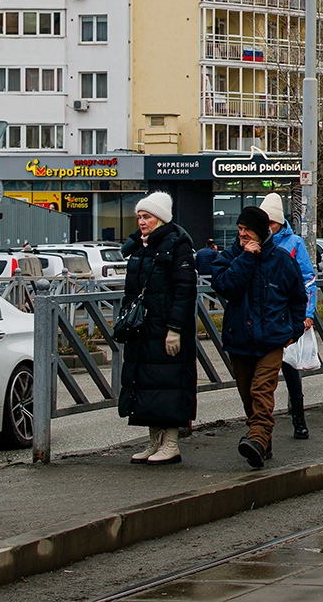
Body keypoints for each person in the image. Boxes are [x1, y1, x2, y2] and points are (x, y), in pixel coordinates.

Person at [211, 207, 306, 468]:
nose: (242, 234)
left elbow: (298, 298)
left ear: (262, 231)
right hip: (239, 339)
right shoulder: (232, 256)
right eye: (240, 229)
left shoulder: (282, 260)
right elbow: (225, 286)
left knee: (262, 390)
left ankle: (256, 438)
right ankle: (262, 439)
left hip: (271, 339)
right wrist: (247, 258)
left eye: (248, 230)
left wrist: (295, 329)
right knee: (247, 396)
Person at [117, 191, 197, 465]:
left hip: (165, 328)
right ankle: (154, 441)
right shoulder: (141, 246)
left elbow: (185, 290)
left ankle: (171, 443)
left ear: (161, 219)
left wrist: (174, 328)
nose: (141, 221)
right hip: (143, 328)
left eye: (147, 216)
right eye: (139, 216)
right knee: (147, 384)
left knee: (169, 383)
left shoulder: (178, 245)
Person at [259, 193, 315, 440]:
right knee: (261, 374)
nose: (268, 228)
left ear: (280, 222)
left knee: (290, 369)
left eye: (272, 223)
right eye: (265, 223)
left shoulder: (294, 243)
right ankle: (261, 424)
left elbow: (308, 279)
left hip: (285, 315)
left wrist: (307, 314)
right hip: (261, 316)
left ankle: (298, 419)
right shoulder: (254, 242)